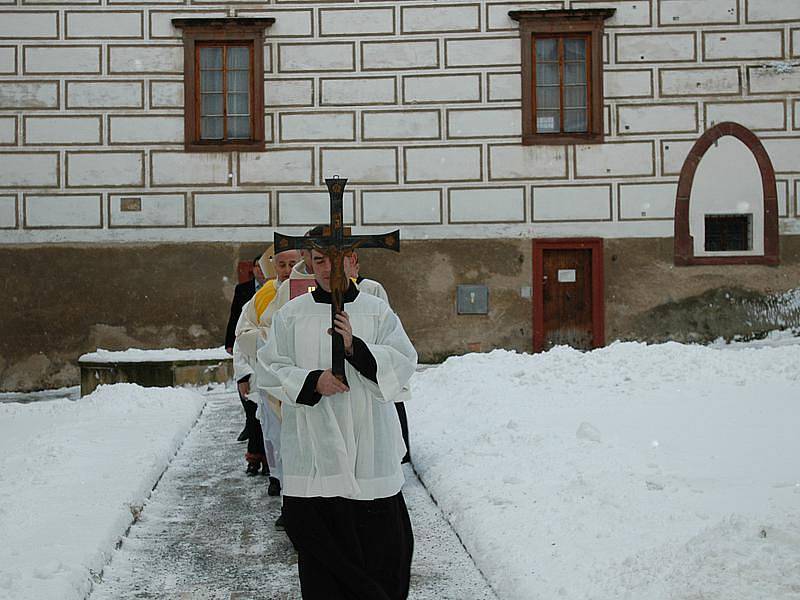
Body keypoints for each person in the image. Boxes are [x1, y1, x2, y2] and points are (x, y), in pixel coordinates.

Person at [257, 248, 418, 600]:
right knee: (323, 562)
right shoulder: (291, 315)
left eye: (336, 257)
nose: (327, 267)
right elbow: (269, 368)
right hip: (315, 451)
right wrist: (313, 381)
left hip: (369, 449)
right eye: (318, 260)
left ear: (353, 261)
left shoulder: (377, 311)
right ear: (309, 265)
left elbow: (404, 362)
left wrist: (355, 348)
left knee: (383, 556)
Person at [233, 247, 300, 481]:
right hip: (271, 379)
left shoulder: (311, 290)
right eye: (282, 265)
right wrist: (268, 339)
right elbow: (242, 333)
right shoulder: (263, 295)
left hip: (303, 378)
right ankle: (279, 480)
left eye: (293, 264)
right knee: (275, 434)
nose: (287, 270)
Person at [225, 255, 269, 442]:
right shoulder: (245, 291)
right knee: (251, 400)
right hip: (251, 351)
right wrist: (230, 341)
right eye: (256, 266)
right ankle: (252, 433)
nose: (259, 270)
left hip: (270, 358)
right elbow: (237, 318)